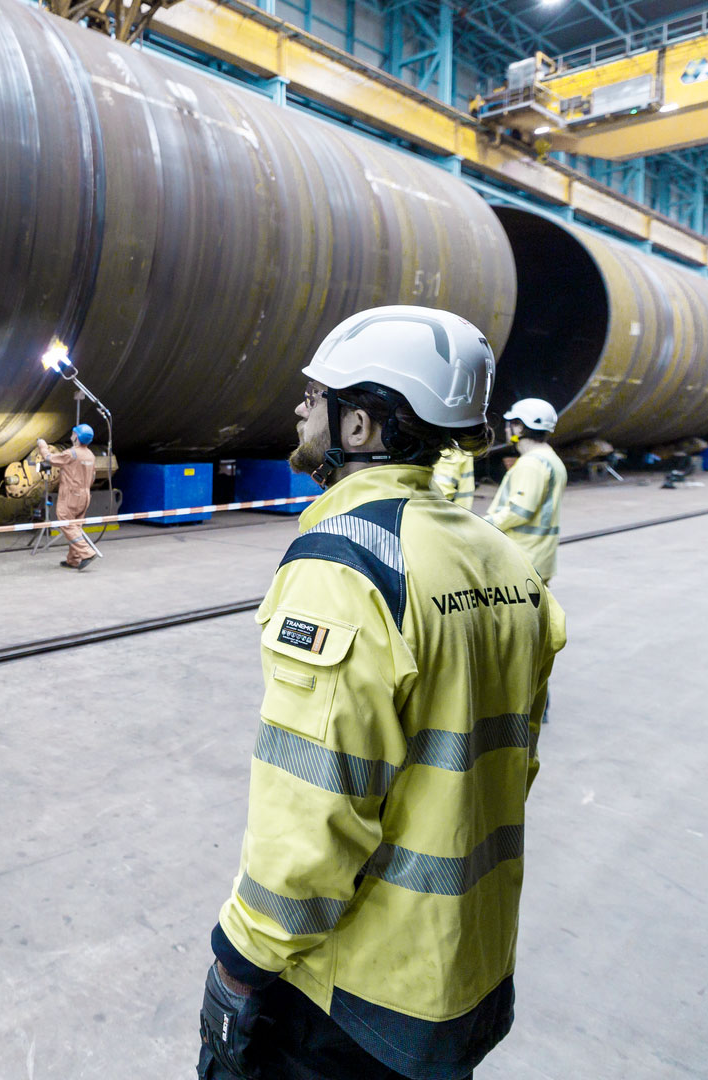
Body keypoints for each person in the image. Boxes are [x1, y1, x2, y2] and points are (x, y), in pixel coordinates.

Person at [198, 306, 566, 1080]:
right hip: (465, 967)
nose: (300, 408)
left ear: (359, 427)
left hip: (354, 996)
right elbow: (512, 765)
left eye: (315, 395)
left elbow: (314, 808)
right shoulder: (505, 562)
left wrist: (240, 958)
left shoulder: (346, 568)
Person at [484, 398, 566, 583]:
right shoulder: (549, 458)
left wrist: (484, 524)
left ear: (520, 427)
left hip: (523, 557)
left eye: (510, 424)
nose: (506, 429)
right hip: (538, 556)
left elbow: (519, 511)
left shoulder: (532, 463)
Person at [36, 423, 98, 570]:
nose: (71, 435)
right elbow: (93, 476)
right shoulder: (91, 455)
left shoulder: (72, 453)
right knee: (75, 526)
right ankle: (73, 559)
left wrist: (42, 445)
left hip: (71, 495)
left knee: (65, 522)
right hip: (85, 495)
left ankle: (87, 552)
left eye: (73, 433)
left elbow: (50, 458)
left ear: (76, 437)